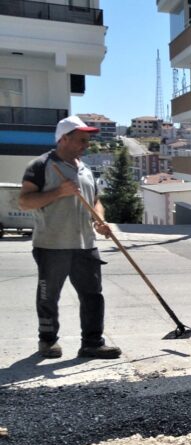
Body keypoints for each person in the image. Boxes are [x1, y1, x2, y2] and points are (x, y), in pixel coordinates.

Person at [18, 115, 122, 359]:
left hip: (85, 244)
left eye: (87, 140)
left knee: (93, 296)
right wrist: (59, 192)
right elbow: (24, 202)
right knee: (48, 296)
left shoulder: (85, 168)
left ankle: (92, 343)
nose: (87, 145)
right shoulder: (41, 165)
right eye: (81, 140)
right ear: (64, 139)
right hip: (52, 244)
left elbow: (95, 200)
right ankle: (47, 342)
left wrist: (100, 219)